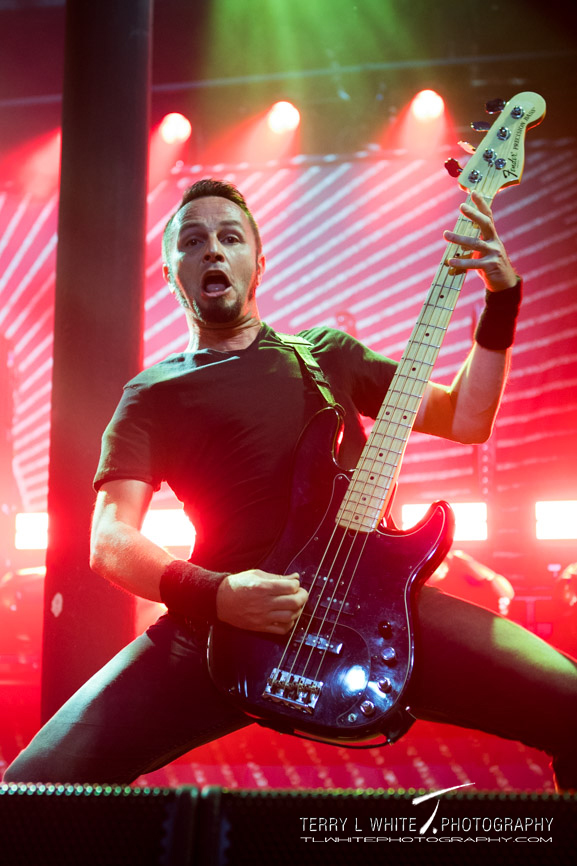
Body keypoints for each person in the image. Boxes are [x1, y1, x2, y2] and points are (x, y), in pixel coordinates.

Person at [4, 179, 577, 790]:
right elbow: (109, 539)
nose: (213, 249)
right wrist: (219, 594)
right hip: (220, 623)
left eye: (230, 237)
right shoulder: (152, 393)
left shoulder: (327, 354)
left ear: (259, 263)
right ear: (171, 273)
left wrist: (502, 298)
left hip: (376, 611)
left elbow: (465, 416)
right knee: (36, 787)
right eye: (192, 241)